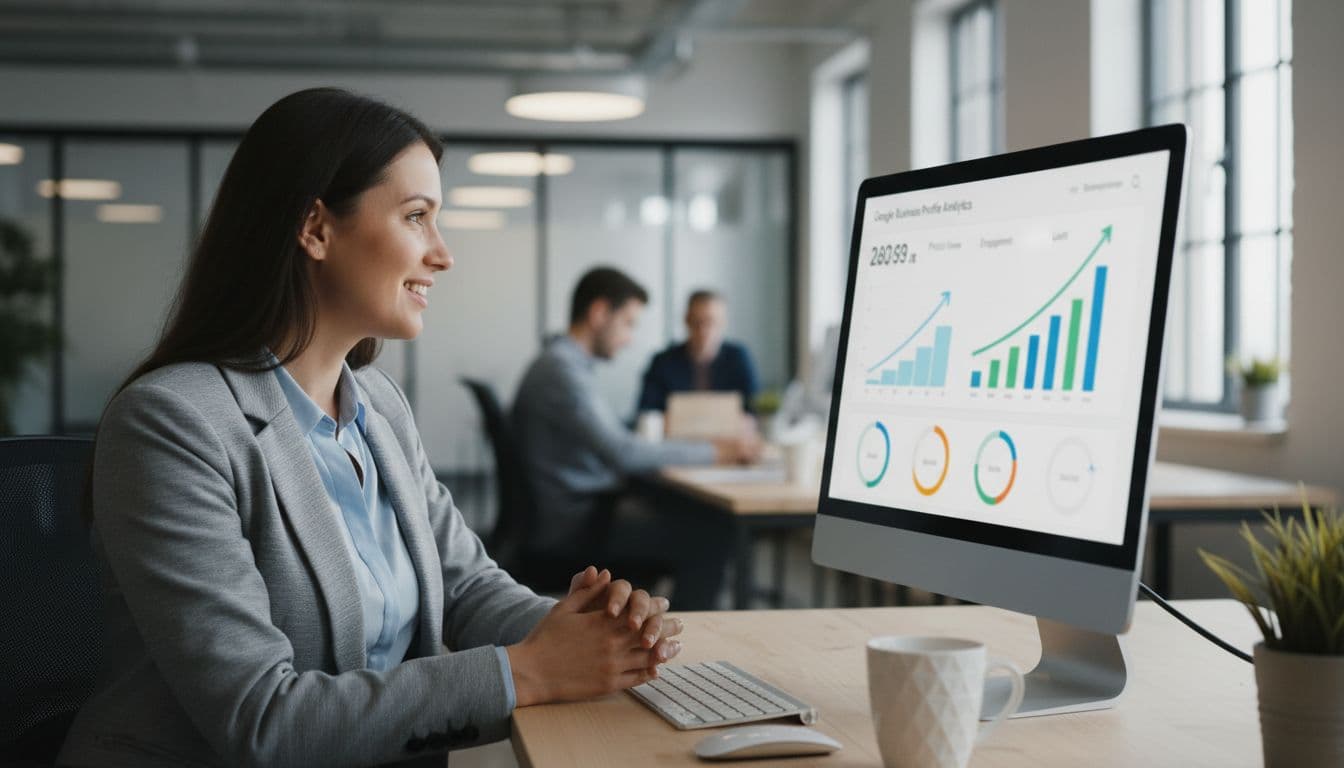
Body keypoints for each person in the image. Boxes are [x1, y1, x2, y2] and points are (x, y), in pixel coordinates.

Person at [57, 89, 682, 768]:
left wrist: (584, 633)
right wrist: (531, 671)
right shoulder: (173, 424)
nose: (442, 255)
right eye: (417, 217)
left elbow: (465, 585)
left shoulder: (377, 406)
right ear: (316, 229)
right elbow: (265, 720)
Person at [511, 268, 760, 610]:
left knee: (695, 512)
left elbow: (611, 438)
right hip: (576, 522)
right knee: (714, 532)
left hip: (582, 506)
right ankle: (690, 645)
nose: (629, 338)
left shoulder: (565, 365)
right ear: (599, 314)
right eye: (628, 323)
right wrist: (718, 450)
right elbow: (622, 453)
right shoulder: (562, 372)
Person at [636, 289, 761, 415]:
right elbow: (646, 412)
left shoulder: (738, 358)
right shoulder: (662, 362)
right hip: (675, 435)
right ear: (686, 320)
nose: (704, 331)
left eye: (711, 322)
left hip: (729, 434)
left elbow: (755, 407)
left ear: (723, 323)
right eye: (697, 322)